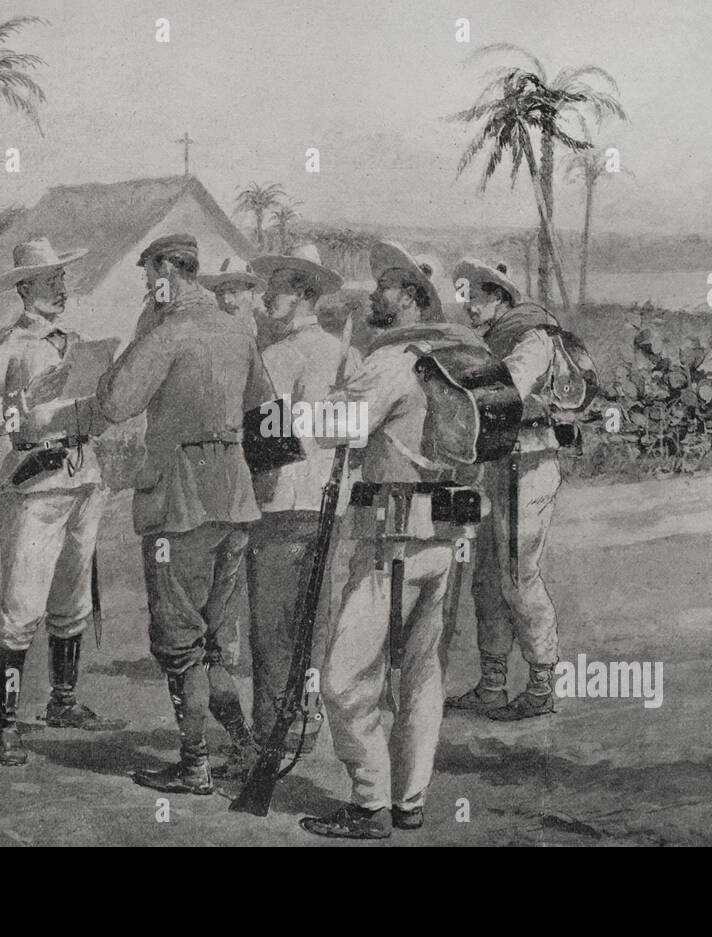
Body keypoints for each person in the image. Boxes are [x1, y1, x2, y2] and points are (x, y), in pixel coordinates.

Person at [300, 241, 485, 839]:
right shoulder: (468, 354)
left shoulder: (393, 361)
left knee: (346, 677)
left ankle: (370, 803)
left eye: (385, 285)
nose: (375, 293)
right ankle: (409, 801)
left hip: (393, 541)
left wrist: (338, 385)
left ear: (409, 294)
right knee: (422, 674)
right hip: (452, 537)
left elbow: (331, 428)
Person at [94, 233, 275, 794]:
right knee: (216, 640)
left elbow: (115, 401)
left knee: (180, 643)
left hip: (180, 507)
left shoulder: (168, 331)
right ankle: (243, 747)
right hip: (235, 504)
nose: (148, 286)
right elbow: (270, 420)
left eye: (151, 276)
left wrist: (140, 333)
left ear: (170, 272)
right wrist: (254, 491)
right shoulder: (238, 333)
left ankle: (194, 764)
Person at [0, 237, 120, 768]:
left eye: (62, 281)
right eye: (51, 282)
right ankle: (6, 725)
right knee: (22, 605)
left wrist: (99, 405)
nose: (61, 290)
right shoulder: (2, 348)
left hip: (84, 478)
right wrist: (24, 402)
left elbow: (92, 412)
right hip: (35, 484)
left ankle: (63, 702)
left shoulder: (75, 343)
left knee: (73, 599)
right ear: (25, 288)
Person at [444, 259, 564, 721]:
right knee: (487, 578)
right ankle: (492, 683)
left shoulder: (533, 335)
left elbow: (508, 385)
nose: (469, 308)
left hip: (529, 462)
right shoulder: (494, 337)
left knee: (518, 573)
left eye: (475, 299)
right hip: (498, 462)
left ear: (498, 297)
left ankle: (540, 685)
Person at [243, 244, 351, 756]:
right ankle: (306, 725)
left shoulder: (277, 356)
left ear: (304, 293)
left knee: (271, 629)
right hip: (327, 506)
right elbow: (350, 432)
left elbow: (266, 444)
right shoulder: (344, 353)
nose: (267, 297)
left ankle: (272, 733)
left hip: (282, 506)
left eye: (279, 288)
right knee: (313, 620)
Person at [200, 257, 262, 341]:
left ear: (251, 294)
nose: (226, 300)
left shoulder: (264, 331)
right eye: (220, 293)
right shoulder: (209, 333)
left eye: (234, 292)